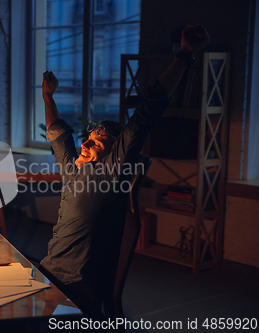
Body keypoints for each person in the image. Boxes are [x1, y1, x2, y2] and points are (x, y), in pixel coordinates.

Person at [39, 23, 210, 318]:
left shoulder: (111, 171)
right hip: (45, 274)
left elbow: (145, 115)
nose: (86, 142)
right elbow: (57, 133)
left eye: (98, 139)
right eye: (89, 137)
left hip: (73, 288)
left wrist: (185, 53)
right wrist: (48, 97)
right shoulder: (73, 169)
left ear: (116, 151)